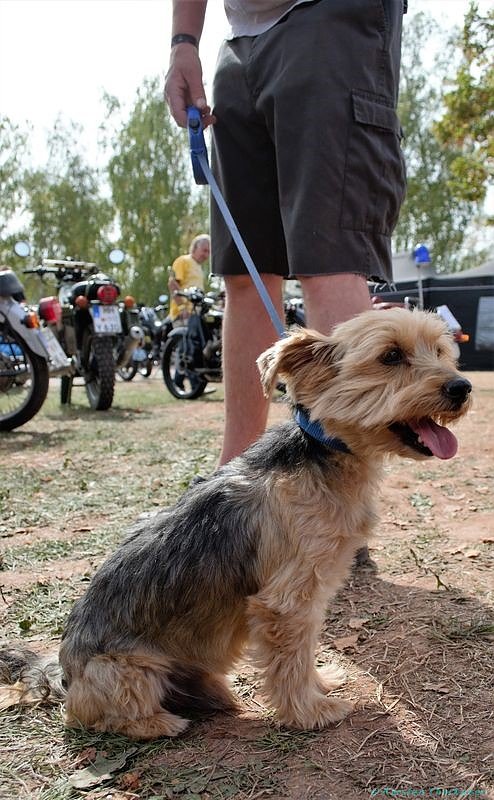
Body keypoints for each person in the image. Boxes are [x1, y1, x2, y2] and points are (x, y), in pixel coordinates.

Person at [165, 0, 406, 469]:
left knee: (328, 258)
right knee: (245, 273)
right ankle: (232, 484)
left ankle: (342, 505)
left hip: (329, 19)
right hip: (238, 42)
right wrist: (183, 43)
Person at [168, 234, 210, 322]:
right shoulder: (183, 261)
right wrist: (182, 307)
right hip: (183, 315)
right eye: (204, 251)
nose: (206, 255)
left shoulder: (199, 267)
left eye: (209, 252)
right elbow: (172, 284)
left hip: (195, 314)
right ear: (194, 248)